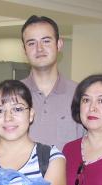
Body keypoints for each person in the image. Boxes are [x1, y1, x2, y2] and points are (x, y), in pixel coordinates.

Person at [21, 15, 84, 150]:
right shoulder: (13, 94)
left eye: (46, 41)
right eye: (31, 43)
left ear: (59, 44)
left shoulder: (81, 94)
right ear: (24, 50)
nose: (39, 48)